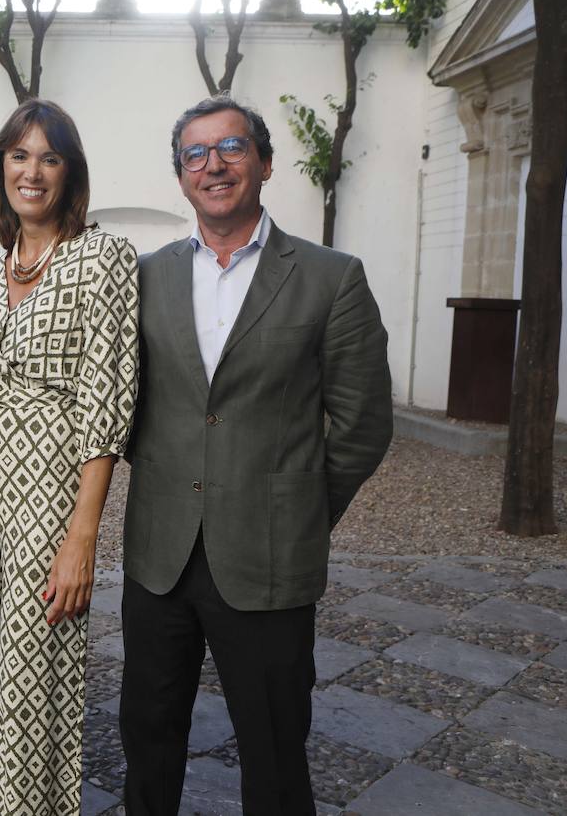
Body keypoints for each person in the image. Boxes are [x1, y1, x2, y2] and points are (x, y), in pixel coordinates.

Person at [120, 96, 393, 815]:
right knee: (148, 742)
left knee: (273, 754)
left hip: (270, 558)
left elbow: (362, 423)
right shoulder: (143, 279)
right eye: (195, 154)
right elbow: (117, 401)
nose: (214, 165)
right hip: (158, 556)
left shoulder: (331, 278)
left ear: (264, 163)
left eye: (232, 147)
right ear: (180, 177)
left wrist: (296, 505)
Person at [0, 99, 140, 816]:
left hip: (50, 490)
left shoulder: (104, 256)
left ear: (70, 172)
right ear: (2, 168)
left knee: (33, 674)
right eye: (19, 156)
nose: (33, 171)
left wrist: (82, 538)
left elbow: (109, 398)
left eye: (49, 157)